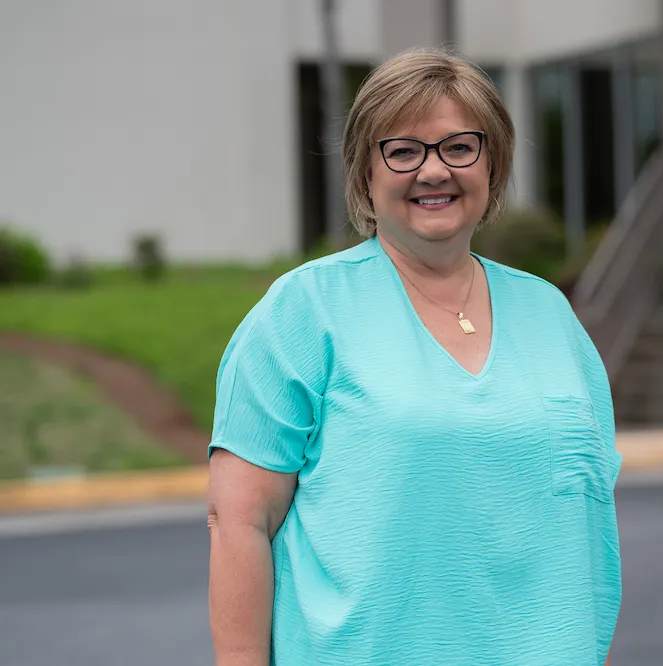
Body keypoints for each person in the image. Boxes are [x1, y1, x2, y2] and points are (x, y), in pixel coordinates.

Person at [206, 47, 622, 666]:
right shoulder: (303, 311)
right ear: (364, 173)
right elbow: (239, 522)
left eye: (459, 147)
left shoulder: (551, 317)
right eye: (402, 151)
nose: (434, 171)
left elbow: (585, 534)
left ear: (494, 163)